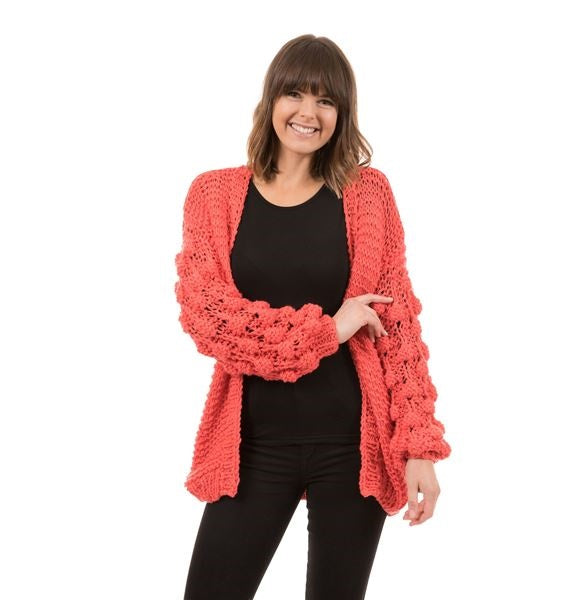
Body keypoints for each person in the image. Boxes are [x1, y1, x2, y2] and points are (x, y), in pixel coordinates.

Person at [175, 34, 452, 600]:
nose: (308, 112)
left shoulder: (367, 194)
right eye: (295, 94)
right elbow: (209, 318)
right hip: (253, 448)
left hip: (352, 448)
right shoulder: (214, 195)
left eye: (326, 100)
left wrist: (419, 446)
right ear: (271, 99)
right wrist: (330, 329)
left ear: (342, 113)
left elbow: (399, 328)